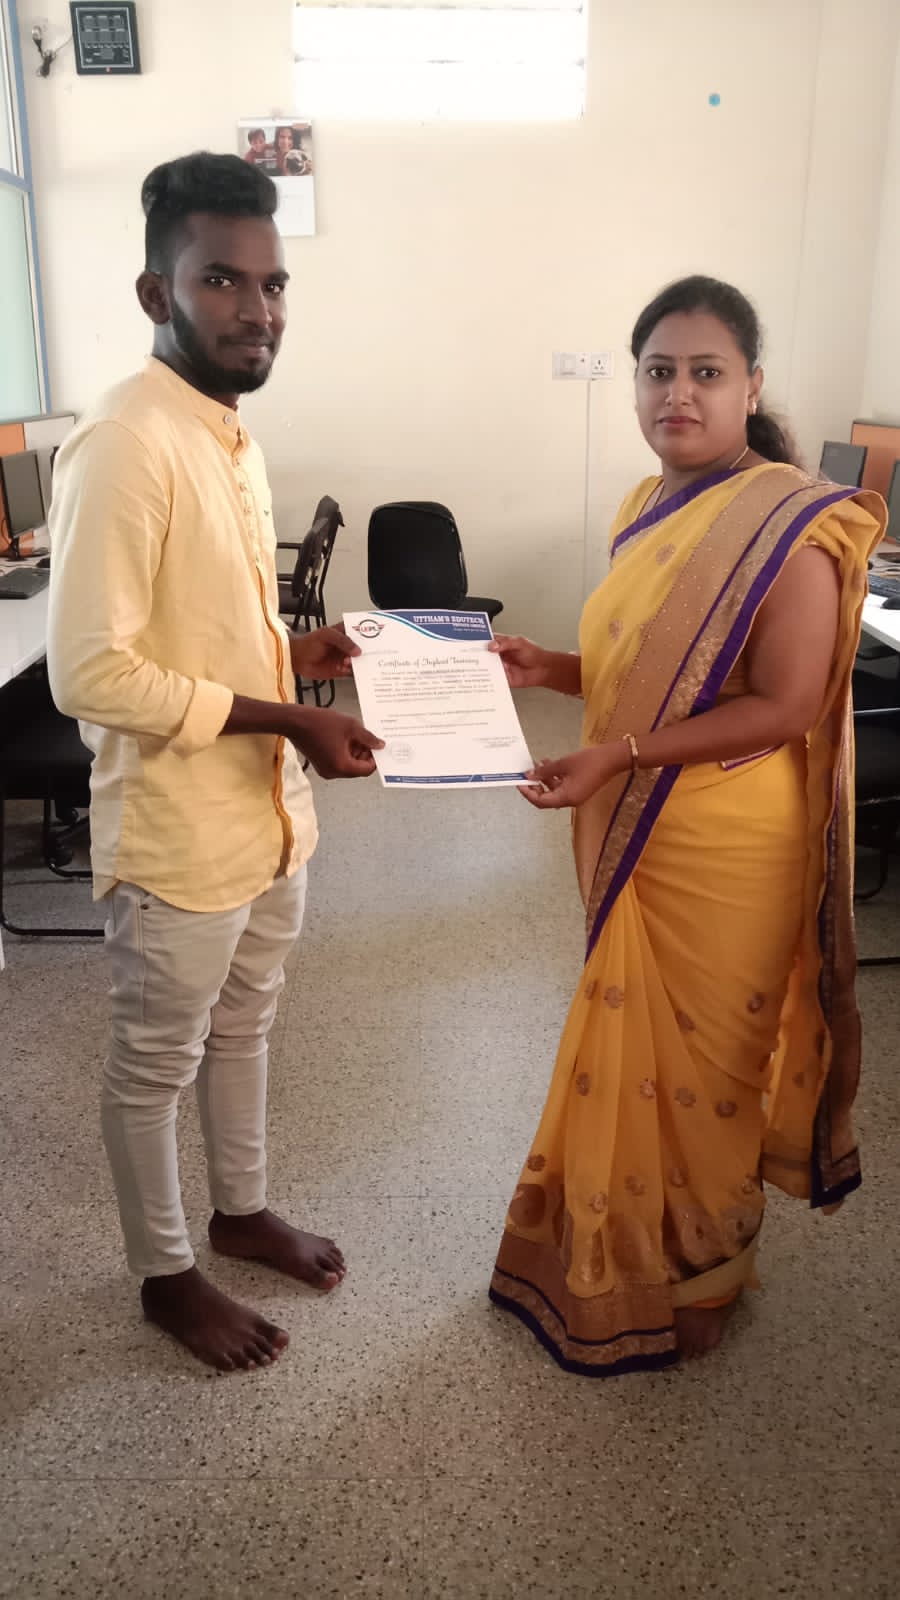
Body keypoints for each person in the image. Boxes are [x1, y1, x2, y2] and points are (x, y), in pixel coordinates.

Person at [489, 275, 886, 1376]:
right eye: (658, 371)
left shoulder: (792, 524)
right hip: (646, 814)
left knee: (710, 1066)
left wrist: (616, 756)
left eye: (706, 372)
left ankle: (706, 1268)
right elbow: (647, 677)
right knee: (635, 1051)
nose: (679, 392)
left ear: (751, 385)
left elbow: (784, 704)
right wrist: (551, 667)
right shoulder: (643, 506)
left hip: (728, 841)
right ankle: (618, 1250)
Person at [47, 152, 383, 1374]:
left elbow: (202, 628)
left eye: (273, 284)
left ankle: (240, 1212)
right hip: (181, 830)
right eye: (223, 281)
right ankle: (166, 1271)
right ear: (158, 292)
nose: (259, 310)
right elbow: (91, 673)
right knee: (155, 1062)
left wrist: (301, 654)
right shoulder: (125, 440)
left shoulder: (228, 432)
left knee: (246, 1024)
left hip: (267, 814)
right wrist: (290, 715)